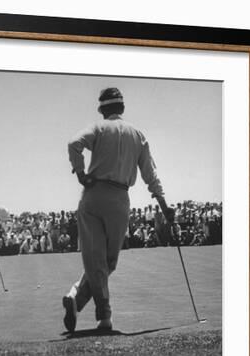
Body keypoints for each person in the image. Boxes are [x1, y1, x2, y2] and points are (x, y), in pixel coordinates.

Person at [62, 87, 173, 332]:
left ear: (102, 110)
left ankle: (76, 299)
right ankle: (102, 314)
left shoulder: (99, 128)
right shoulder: (137, 134)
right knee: (108, 261)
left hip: (93, 195)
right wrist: (164, 204)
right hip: (120, 198)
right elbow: (150, 174)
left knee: (94, 258)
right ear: (121, 108)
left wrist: (81, 173)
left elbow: (74, 143)